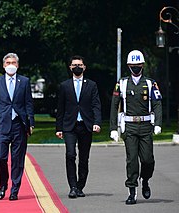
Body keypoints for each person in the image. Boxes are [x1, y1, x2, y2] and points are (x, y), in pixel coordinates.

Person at [109, 50, 162, 205]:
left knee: (147, 160)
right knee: (132, 160)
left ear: (142, 65)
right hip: (130, 126)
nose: (136, 68)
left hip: (146, 127)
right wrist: (113, 128)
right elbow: (114, 106)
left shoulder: (150, 83)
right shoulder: (122, 83)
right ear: (128, 66)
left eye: (138, 65)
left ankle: (145, 180)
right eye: (133, 65)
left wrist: (158, 123)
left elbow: (158, 104)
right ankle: (132, 191)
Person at [0, 53, 35, 201]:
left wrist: (31, 122)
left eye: (13, 62)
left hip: (19, 125)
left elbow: (28, 103)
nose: (11, 65)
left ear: (18, 65)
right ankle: (3, 183)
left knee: (17, 159)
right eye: (8, 62)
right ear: (3, 65)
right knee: (0, 157)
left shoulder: (24, 81)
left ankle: (15, 189)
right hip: (1, 124)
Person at [55, 55, 102, 198]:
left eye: (80, 65)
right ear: (70, 67)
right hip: (69, 126)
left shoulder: (91, 85)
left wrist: (97, 123)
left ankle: (81, 185)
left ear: (84, 67)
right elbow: (60, 108)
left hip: (86, 126)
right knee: (70, 155)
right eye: (74, 65)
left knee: (84, 157)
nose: (77, 67)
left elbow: (96, 105)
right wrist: (58, 128)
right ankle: (73, 187)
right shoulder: (64, 86)